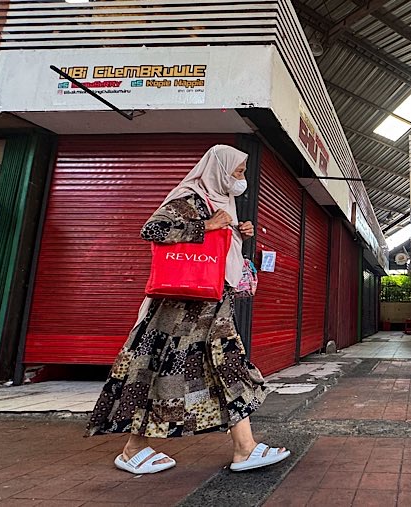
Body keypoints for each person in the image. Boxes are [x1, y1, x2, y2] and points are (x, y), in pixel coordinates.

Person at [87, 145, 289, 474]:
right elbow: (153, 230)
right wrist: (207, 227)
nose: (241, 179)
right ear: (218, 169)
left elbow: (218, 249)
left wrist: (238, 232)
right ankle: (135, 448)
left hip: (210, 306)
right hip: (181, 311)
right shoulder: (190, 196)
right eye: (237, 171)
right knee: (166, 373)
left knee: (224, 369)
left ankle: (244, 448)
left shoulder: (221, 202)